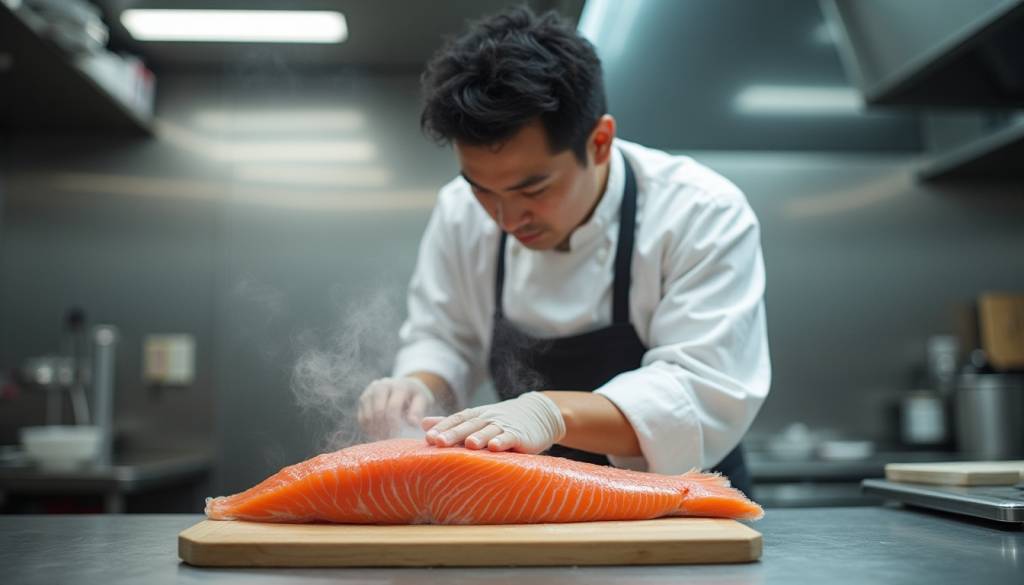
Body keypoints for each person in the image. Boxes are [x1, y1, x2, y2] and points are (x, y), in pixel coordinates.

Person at [357, 6, 769, 494]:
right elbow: (446, 337)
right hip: (538, 497)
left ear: (599, 142)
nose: (507, 220)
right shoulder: (458, 212)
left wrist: (548, 411)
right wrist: (418, 387)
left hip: (675, 496)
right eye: (483, 190)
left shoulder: (700, 212)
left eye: (533, 191)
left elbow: (701, 389)